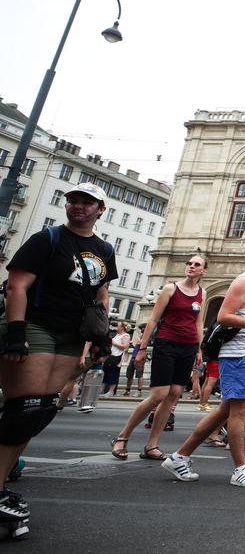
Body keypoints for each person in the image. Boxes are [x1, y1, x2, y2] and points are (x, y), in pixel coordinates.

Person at [0, 182, 118, 525]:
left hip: (72, 334)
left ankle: (4, 481)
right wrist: (17, 332)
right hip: (36, 326)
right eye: (74, 200)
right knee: (24, 408)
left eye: (87, 202)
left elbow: (101, 293)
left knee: (41, 410)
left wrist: (101, 337)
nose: (79, 206)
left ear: (100, 210)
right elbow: (17, 286)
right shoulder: (47, 239)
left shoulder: (105, 249)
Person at [160, 236, 245, 488]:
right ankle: (240, 467)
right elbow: (223, 316)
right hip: (240, 354)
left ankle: (179, 457)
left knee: (224, 411)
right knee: (239, 412)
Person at [111, 255, 208, 462]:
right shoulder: (170, 289)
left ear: (203, 271)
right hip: (167, 343)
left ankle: (151, 445)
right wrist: (142, 348)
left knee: (174, 394)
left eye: (196, 264)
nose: (191, 266)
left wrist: (199, 350)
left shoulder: (202, 292)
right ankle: (122, 436)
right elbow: (153, 319)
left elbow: (199, 323)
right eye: (189, 263)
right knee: (159, 394)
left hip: (188, 346)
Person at [101, 323, 130, 396]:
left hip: (116, 358)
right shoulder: (117, 335)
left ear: (122, 328)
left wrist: (113, 343)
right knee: (105, 372)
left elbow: (125, 346)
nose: (117, 327)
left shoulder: (125, 336)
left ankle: (111, 391)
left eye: (118, 326)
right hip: (110, 356)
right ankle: (103, 390)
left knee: (113, 374)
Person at [122, 324, 147, 396]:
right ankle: (128, 390)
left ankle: (139, 391)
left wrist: (138, 334)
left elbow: (141, 343)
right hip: (134, 356)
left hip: (140, 357)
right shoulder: (141, 335)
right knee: (129, 374)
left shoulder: (146, 336)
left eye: (141, 328)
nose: (140, 330)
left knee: (139, 374)